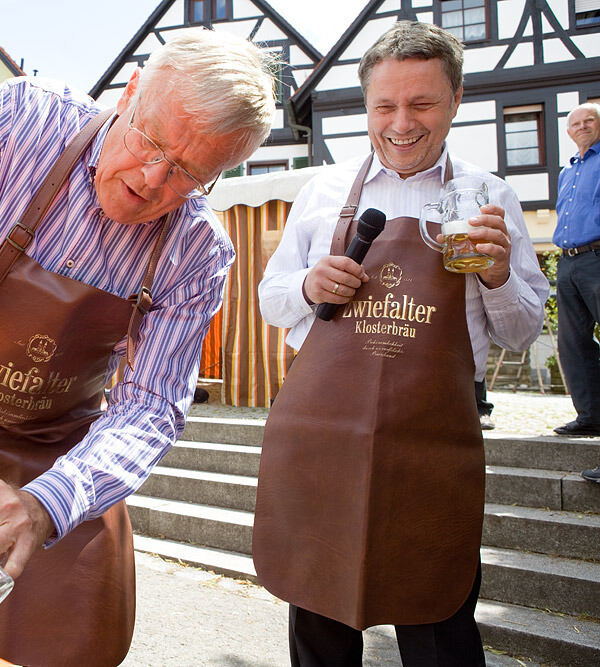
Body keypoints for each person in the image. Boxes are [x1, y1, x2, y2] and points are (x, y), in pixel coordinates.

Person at [0, 29, 276, 666]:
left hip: (58, 463)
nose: (151, 181)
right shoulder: (24, 119)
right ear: (130, 92)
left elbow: (149, 407)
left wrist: (48, 503)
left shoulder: (199, 253)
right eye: (150, 141)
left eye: (188, 174)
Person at [253, 21, 548, 665]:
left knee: (438, 621)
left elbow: (523, 333)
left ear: (456, 100)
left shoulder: (490, 197)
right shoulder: (324, 191)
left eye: (422, 104)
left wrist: (498, 276)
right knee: (322, 620)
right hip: (328, 429)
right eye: (385, 105)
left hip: (435, 433)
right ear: (366, 106)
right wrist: (308, 285)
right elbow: (270, 300)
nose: (401, 123)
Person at [552, 102, 600, 439]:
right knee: (573, 343)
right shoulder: (567, 172)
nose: (582, 126)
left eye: (590, 120)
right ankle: (590, 416)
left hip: (598, 256)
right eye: (576, 123)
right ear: (568, 132)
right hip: (567, 261)